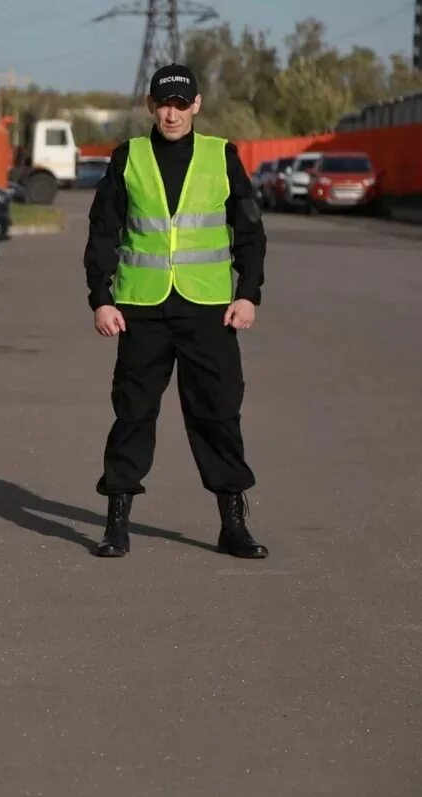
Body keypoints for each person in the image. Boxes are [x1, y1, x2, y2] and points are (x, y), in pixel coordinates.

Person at [82, 64, 269, 559]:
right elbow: (103, 232)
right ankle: (116, 524)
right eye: (164, 104)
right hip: (141, 308)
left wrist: (248, 292)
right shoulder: (129, 157)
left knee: (218, 415)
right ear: (151, 105)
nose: (172, 113)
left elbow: (248, 229)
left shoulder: (221, 156)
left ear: (197, 105)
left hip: (208, 309)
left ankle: (233, 525)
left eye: (181, 104)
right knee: (133, 415)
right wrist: (101, 298)